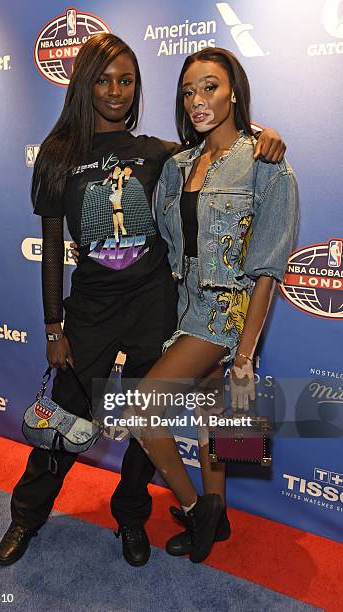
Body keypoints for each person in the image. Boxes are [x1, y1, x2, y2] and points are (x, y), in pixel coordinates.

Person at [0, 33, 287, 568]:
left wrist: (264, 136)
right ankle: (25, 516)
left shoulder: (162, 156)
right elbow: (55, 251)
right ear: (83, 85)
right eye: (103, 80)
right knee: (63, 421)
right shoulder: (59, 157)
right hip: (90, 316)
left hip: (158, 311)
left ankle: (131, 519)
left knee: (148, 431)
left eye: (126, 80)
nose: (115, 91)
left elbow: (223, 157)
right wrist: (53, 327)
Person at [124, 47, 299, 564]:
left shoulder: (266, 163)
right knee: (212, 421)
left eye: (210, 87)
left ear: (234, 92)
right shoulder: (178, 165)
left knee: (142, 410)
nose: (197, 100)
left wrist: (245, 355)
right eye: (188, 91)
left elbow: (267, 267)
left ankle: (196, 507)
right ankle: (216, 521)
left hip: (226, 314)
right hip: (182, 306)